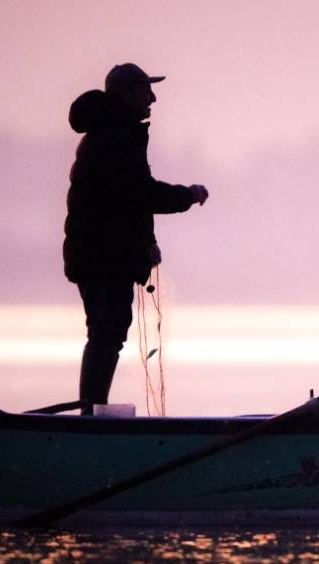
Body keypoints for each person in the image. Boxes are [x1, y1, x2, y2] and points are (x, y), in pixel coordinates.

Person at [63, 63, 208, 414]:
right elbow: (139, 194)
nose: (153, 98)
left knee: (107, 331)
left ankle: (92, 411)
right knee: (107, 332)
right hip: (101, 256)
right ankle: (91, 414)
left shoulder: (114, 133)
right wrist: (187, 195)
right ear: (125, 94)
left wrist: (146, 244)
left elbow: (125, 204)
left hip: (102, 254)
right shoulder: (115, 137)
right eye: (145, 90)